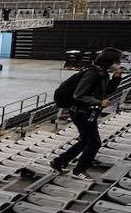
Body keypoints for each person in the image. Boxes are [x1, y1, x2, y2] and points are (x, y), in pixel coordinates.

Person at [51, 47, 123, 180]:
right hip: (81, 113)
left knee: (85, 141)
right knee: (94, 143)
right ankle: (79, 170)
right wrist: (99, 102)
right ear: (109, 62)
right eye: (117, 62)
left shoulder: (103, 74)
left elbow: (106, 91)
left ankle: (59, 162)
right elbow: (78, 95)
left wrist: (117, 77)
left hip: (88, 112)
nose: (118, 65)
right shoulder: (92, 74)